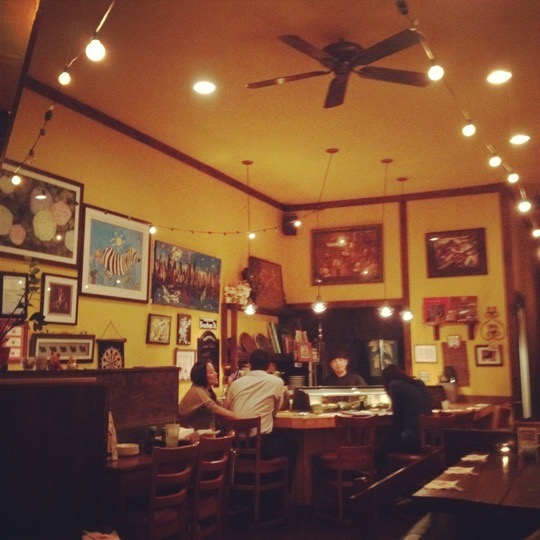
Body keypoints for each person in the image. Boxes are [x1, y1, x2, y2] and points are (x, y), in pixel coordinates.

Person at [225, 349, 297, 488]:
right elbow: (276, 409)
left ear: (250, 364)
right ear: (269, 365)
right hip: (262, 447)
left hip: (236, 446)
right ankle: (283, 493)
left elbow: (226, 408)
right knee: (292, 446)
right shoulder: (276, 382)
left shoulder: (236, 383)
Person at [375, 364, 432, 475]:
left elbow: (398, 419)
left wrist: (388, 439)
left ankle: (385, 482)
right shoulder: (419, 383)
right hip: (428, 439)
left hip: (412, 441)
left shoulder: (395, 384)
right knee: (385, 446)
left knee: (379, 453)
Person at [178, 361, 239, 430]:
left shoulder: (207, 391)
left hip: (202, 431)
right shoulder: (197, 390)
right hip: (191, 433)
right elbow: (214, 408)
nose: (216, 374)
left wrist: (229, 385)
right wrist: (238, 417)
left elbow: (223, 407)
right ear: (202, 376)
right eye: (211, 372)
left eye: (214, 371)